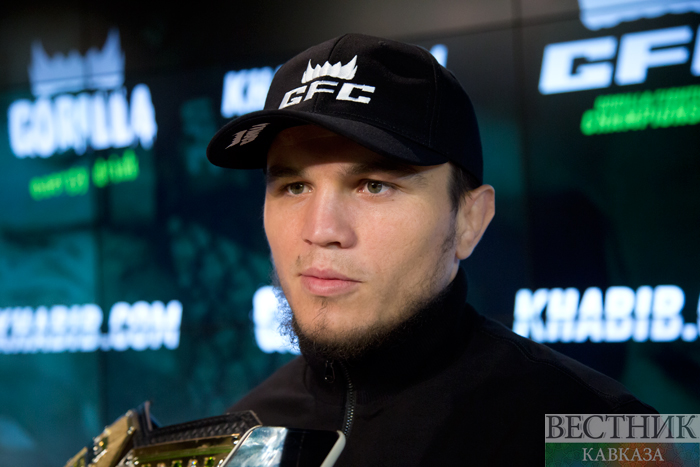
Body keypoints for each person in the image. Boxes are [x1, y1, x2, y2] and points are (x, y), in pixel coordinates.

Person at [206, 33, 655, 465]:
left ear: (470, 220)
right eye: (295, 186)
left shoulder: (612, 433)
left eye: (374, 185)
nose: (321, 230)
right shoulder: (235, 440)